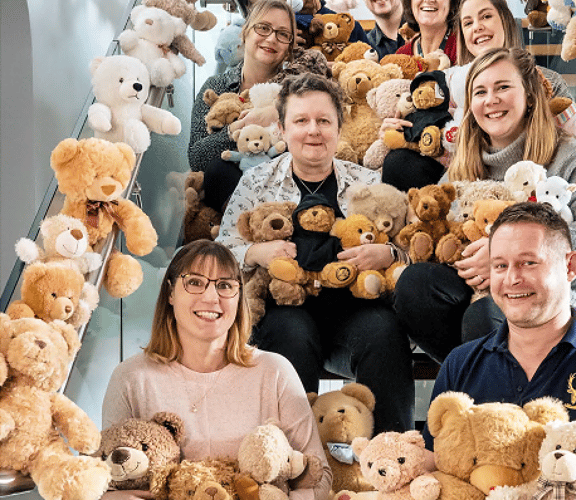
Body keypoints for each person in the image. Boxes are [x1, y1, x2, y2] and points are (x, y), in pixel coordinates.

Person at [215, 73, 415, 434]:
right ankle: (292, 461)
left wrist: (388, 254)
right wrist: (257, 251)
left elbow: (412, 250)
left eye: (324, 121)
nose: (313, 131)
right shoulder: (256, 183)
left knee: (385, 332)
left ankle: (392, 454)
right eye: (301, 121)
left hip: (354, 310)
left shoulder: (368, 183)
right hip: (286, 308)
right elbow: (221, 254)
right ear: (281, 128)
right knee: (290, 334)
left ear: (339, 128)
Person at [394, 47, 576, 362]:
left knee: (486, 317)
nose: (491, 99)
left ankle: (496, 394)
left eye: (503, 87)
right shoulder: (463, 165)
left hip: (558, 302)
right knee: (415, 286)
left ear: (530, 96)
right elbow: (442, 231)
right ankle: (475, 377)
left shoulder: (573, 158)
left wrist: (502, 254)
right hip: (480, 298)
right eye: (480, 92)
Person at [421, 202, 576, 493]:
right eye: (500, 266)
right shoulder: (460, 363)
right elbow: (436, 469)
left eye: (528, 263)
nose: (511, 279)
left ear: (570, 266)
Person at [102, 239, 332, 500]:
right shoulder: (130, 378)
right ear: (170, 292)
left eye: (224, 285)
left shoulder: (274, 371)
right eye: (195, 282)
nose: (211, 298)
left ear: (238, 297)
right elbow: (105, 477)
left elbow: (319, 476)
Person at [381, 0, 576, 191]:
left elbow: (568, 147)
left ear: (505, 21)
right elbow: (433, 138)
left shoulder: (548, 81)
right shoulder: (449, 85)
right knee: (400, 163)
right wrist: (401, 132)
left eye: (486, 16)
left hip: (530, 183)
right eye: (468, 22)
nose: (477, 27)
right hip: (468, 186)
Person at [188, 0, 296, 213]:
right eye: (263, 28)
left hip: (284, 193)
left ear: (289, 48)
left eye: (283, 34)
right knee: (219, 169)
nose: (272, 38)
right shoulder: (216, 87)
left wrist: (278, 110)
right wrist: (238, 128)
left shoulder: (296, 88)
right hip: (228, 201)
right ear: (245, 33)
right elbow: (196, 158)